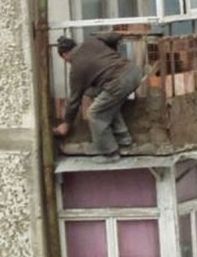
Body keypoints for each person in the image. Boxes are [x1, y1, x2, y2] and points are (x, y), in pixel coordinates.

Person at [53, 32, 142, 162]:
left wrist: (67, 123)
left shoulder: (76, 68)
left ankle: (109, 152)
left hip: (119, 82)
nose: (67, 62)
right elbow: (115, 36)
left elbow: (74, 100)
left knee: (95, 113)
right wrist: (111, 52)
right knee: (97, 96)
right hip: (134, 72)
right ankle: (124, 140)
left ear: (65, 55)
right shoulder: (93, 41)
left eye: (65, 60)